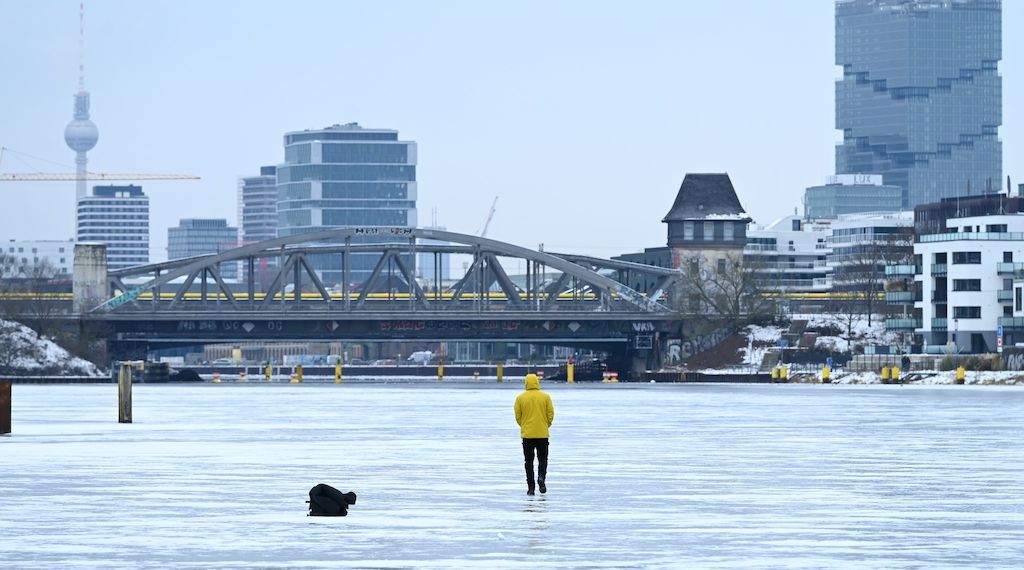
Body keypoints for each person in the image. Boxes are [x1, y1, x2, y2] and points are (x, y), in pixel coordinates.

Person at [514, 373, 554, 496]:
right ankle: (541, 478)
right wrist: (545, 424)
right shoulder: (545, 397)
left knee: (528, 461)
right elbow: (550, 414)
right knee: (543, 459)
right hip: (542, 434)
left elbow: (518, 416)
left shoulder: (520, 398)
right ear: (537, 382)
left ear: (526, 383)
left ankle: (531, 487)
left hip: (527, 435)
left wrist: (524, 425)